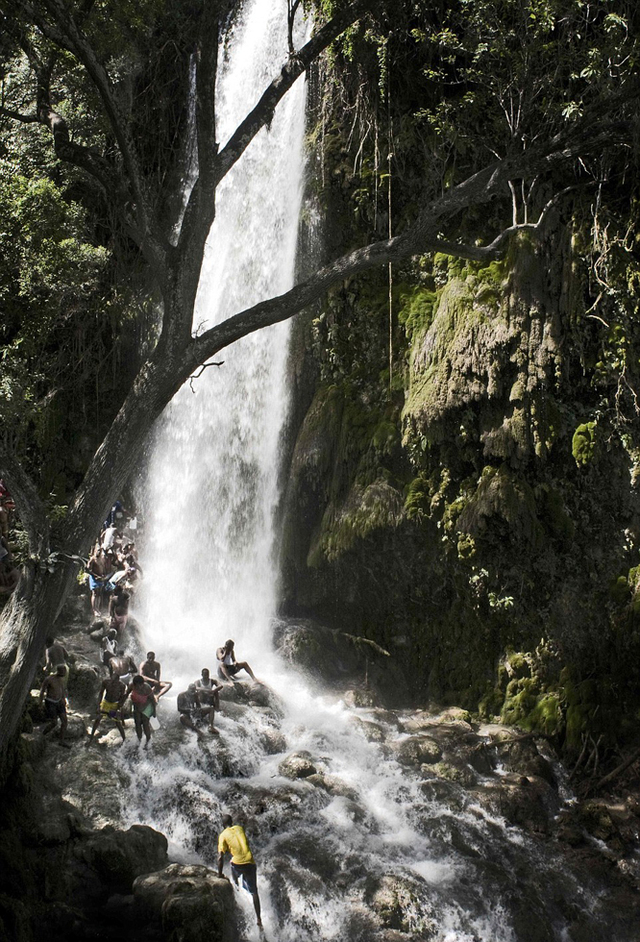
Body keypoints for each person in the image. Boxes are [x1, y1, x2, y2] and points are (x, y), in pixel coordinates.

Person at [217, 814, 262, 930]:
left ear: (223, 825)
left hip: (237, 864)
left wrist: (219, 874)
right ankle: (259, 919)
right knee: (254, 892)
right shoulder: (239, 828)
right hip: (250, 862)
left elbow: (220, 858)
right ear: (232, 822)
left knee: (232, 863)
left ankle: (236, 888)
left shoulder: (223, 835)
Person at [89, 674, 127, 742]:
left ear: (118, 681)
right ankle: (91, 737)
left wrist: (118, 708)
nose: (113, 683)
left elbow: (122, 698)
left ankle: (124, 738)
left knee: (117, 722)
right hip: (106, 703)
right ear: (110, 679)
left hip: (114, 704)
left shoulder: (122, 686)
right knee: (98, 719)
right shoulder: (106, 682)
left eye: (115, 682)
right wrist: (98, 705)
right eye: (112, 681)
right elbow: (101, 693)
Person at [39, 665, 68, 743]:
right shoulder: (49, 679)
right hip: (50, 702)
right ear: (59, 671)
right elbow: (42, 691)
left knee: (64, 721)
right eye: (63, 671)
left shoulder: (61, 679)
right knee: (54, 722)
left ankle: (61, 741)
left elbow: (62, 690)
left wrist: (63, 699)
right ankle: (42, 735)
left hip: (59, 702)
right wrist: (40, 703)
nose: (65, 673)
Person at [127, 674, 156, 747]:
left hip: (147, 705)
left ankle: (148, 740)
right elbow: (126, 694)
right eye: (136, 686)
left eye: (139, 685)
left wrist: (154, 711)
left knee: (145, 723)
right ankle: (139, 739)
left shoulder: (147, 688)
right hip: (137, 705)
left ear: (142, 684)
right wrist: (120, 703)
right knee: (137, 723)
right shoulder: (131, 686)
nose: (138, 687)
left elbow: (153, 700)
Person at [87, 546, 114, 617]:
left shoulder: (102, 559)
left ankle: (98, 608)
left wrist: (104, 575)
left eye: (100, 551)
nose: (98, 552)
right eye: (97, 550)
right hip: (94, 578)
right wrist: (95, 576)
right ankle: (94, 610)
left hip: (100, 578)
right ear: (95, 551)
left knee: (99, 593)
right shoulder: (93, 559)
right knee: (95, 593)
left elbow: (103, 568)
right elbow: (87, 569)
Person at [195, 668, 222, 733]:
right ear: (202, 675)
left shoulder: (212, 681)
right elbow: (196, 687)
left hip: (210, 699)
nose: (206, 676)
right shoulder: (198, 681)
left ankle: (217, 707)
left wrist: (213, 690)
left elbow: (221, 685)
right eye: (205, 675)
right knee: (199, 692)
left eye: (207, 675)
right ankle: (201, 707)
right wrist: (207, 690)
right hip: (202, 699)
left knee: (216, 692)